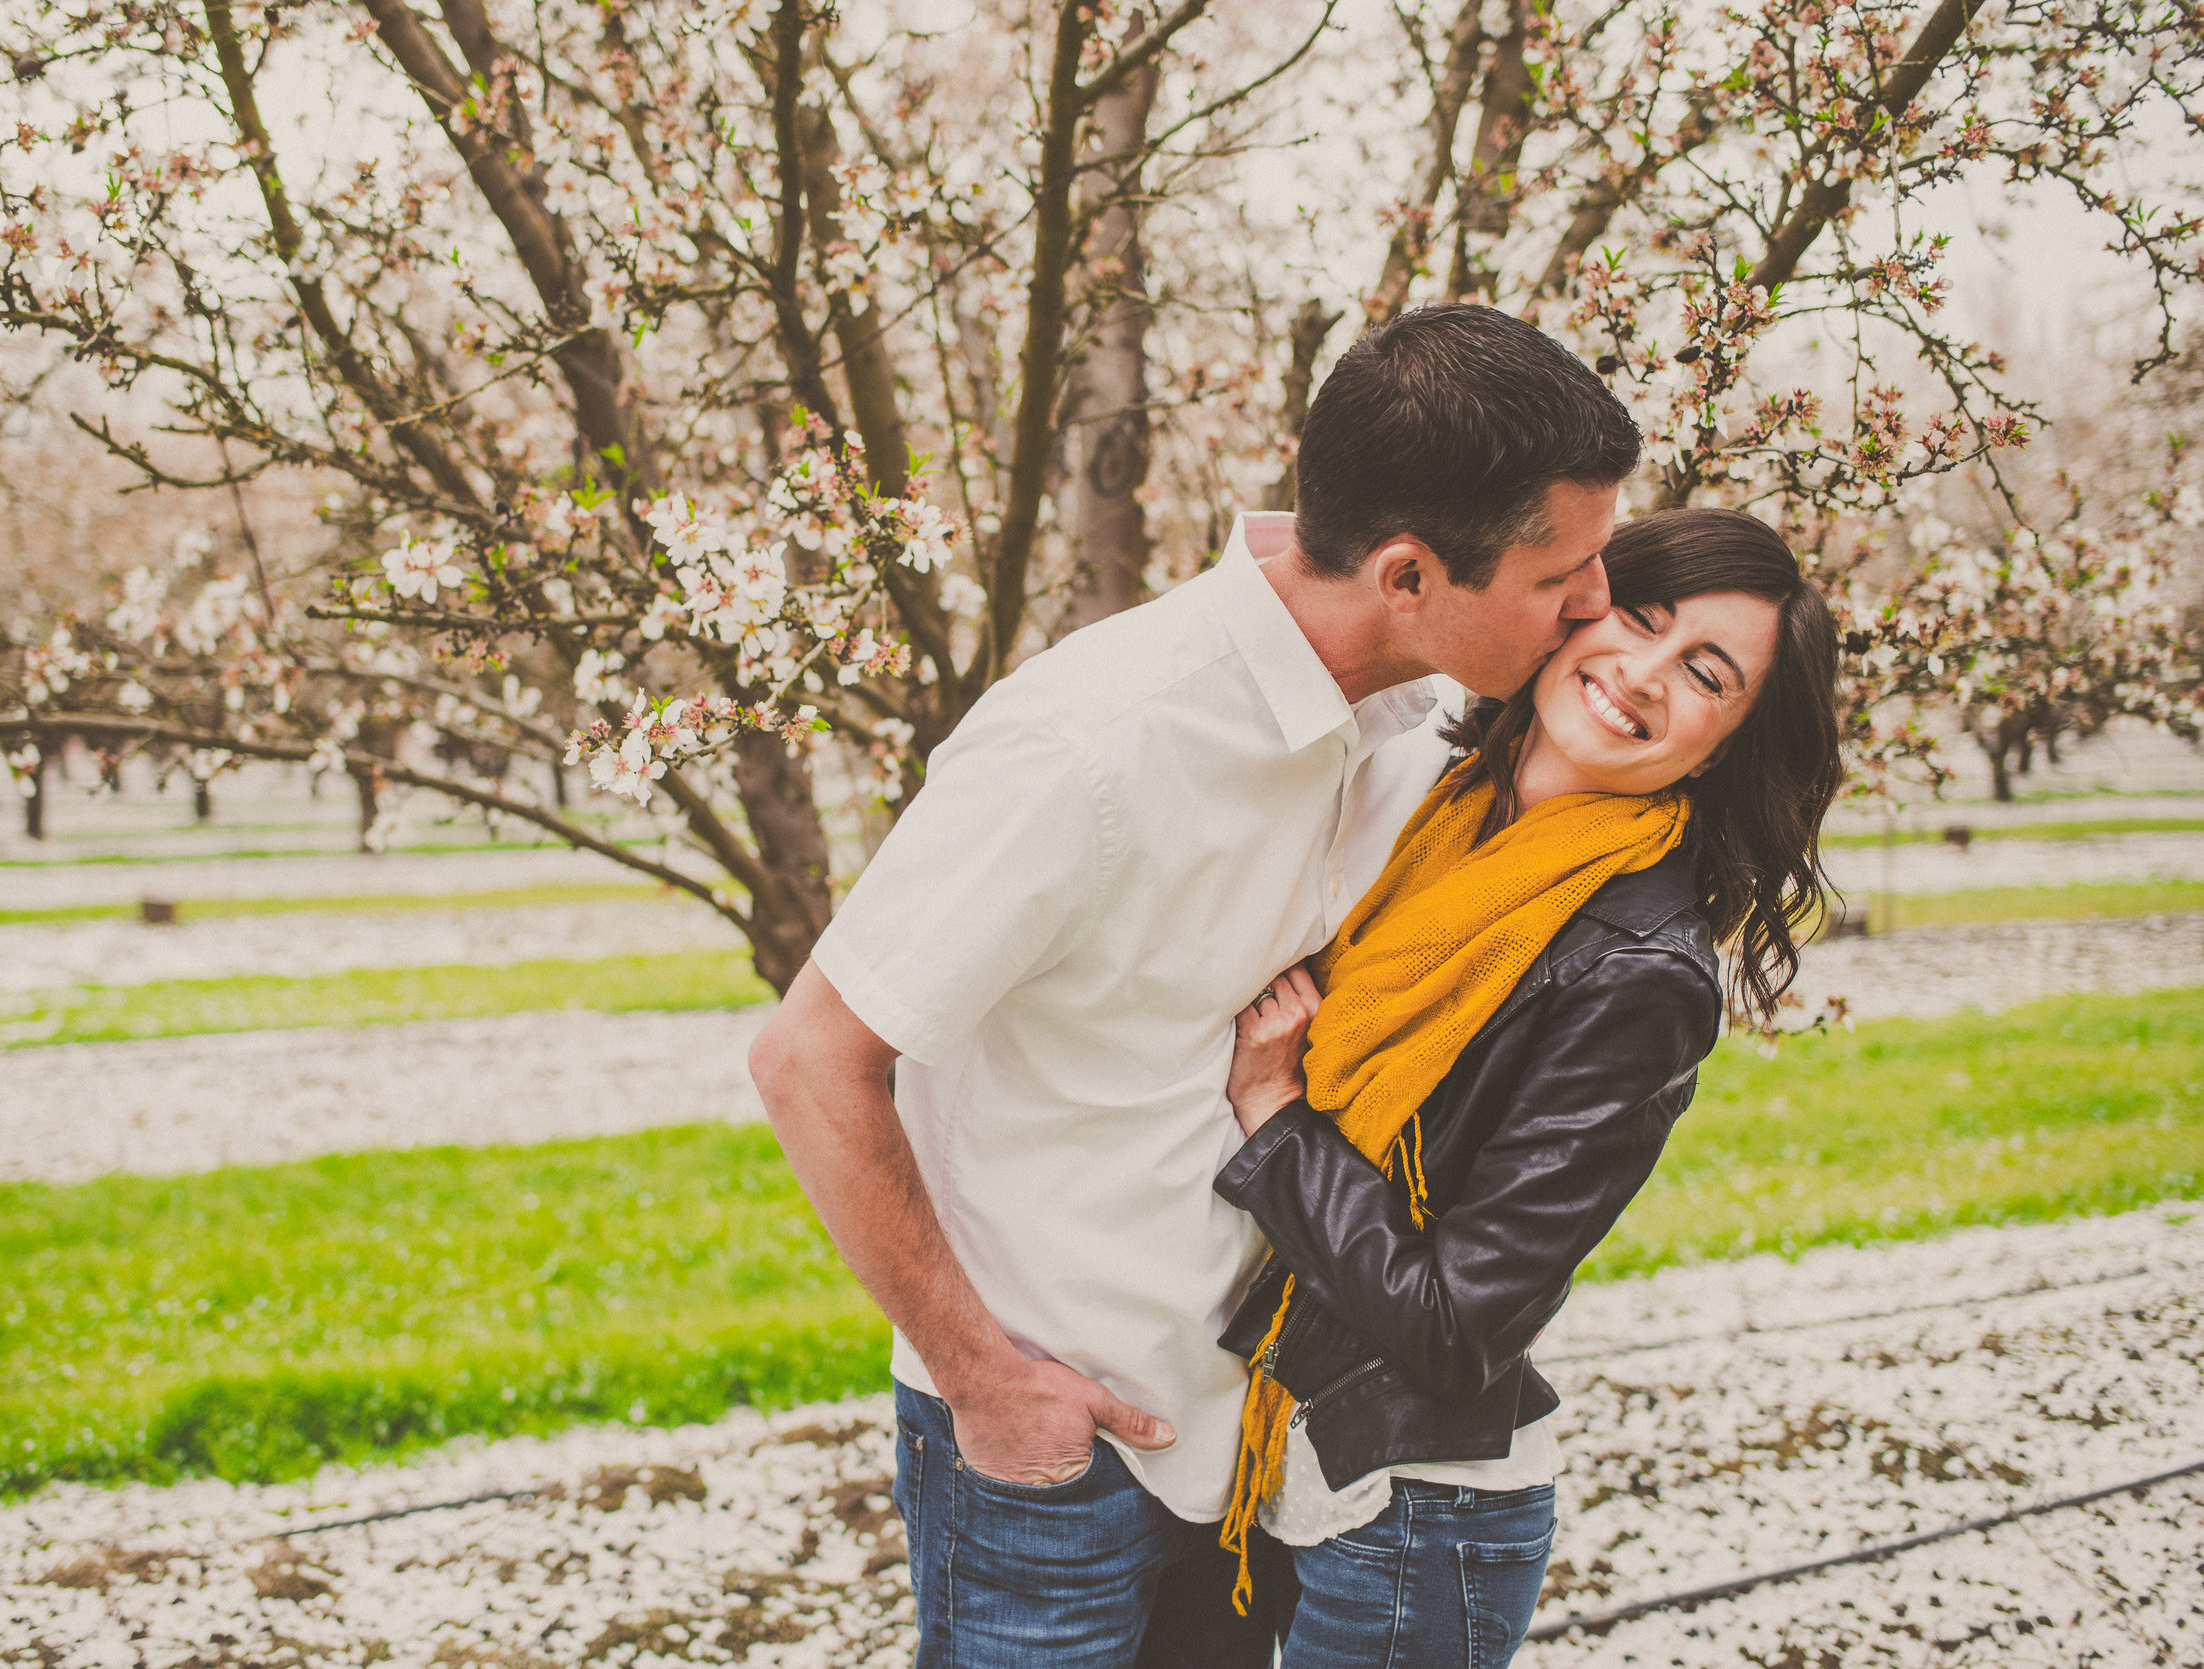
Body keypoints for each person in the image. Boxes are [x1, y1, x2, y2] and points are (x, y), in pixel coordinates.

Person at [747, 303, 1641, 1667]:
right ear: (1408, 573)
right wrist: (987, 1382)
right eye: (1561, 574)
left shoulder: (1421, 734)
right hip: (1056, 1448)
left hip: (1255, 1458)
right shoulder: (1094, 743)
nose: (1596, 606)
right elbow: (810, 1060)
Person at [1211, 506, 1842, 1667]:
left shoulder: (1641, 972)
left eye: (1703, 673)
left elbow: (1460, 1324)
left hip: (1413, 1516)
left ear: (1725, 745)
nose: (1639, 673)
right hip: (1292, 1457)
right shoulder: (1435, 812)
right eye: (1638, 619)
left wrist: (1276, 1123)